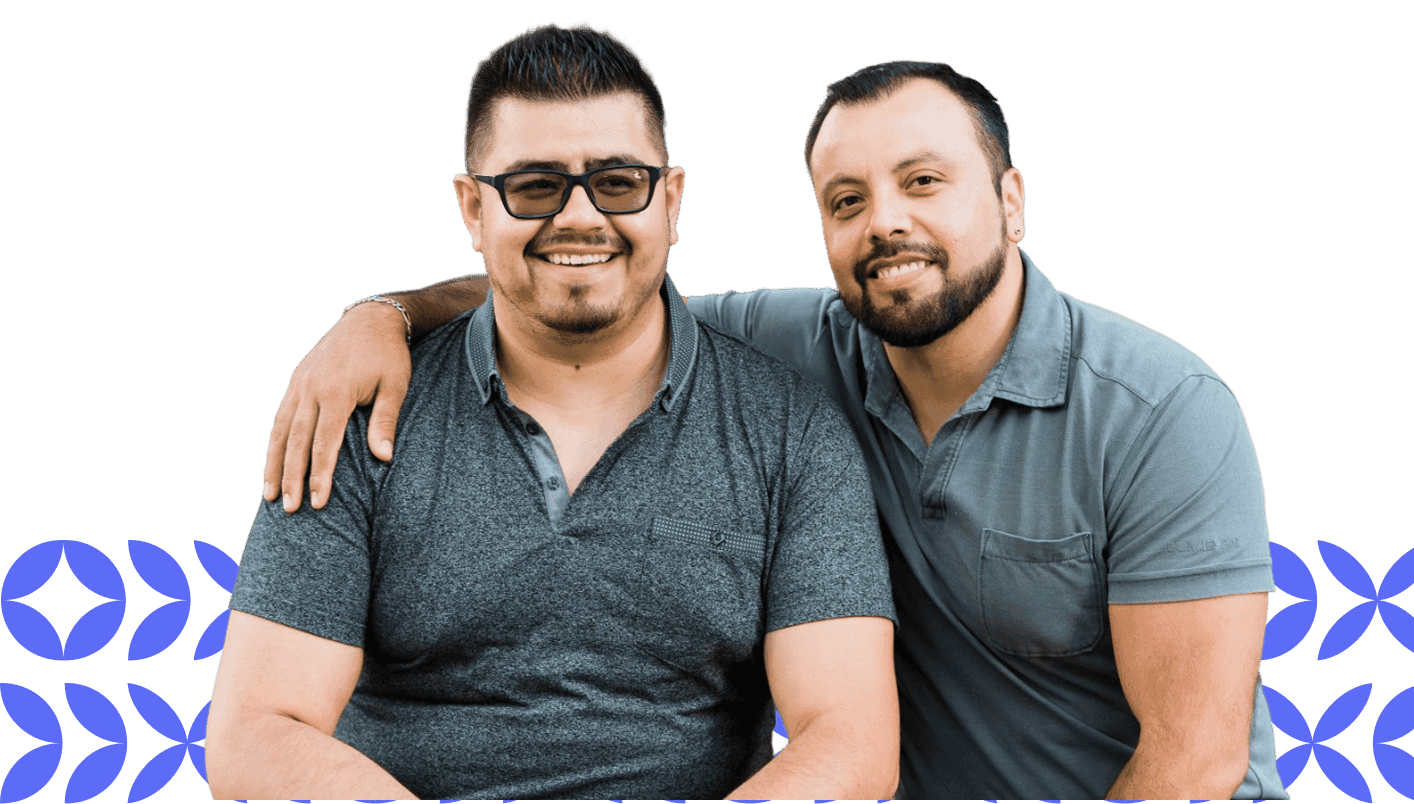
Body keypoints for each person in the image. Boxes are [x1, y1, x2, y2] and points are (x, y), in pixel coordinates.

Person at [264, 59, 1288, 800]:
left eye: (923, 181)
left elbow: (1192, 764)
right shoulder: (798, 347)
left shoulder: (1160, 410)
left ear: (1011, 200)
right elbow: (583, 285)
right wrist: (382, 313)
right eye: (847, 200)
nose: (886, 222)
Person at [204, 24, 899, 801]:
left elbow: (851, 740)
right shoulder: (357, 416)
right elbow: (256, 734)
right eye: (534, 186)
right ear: (473, 209)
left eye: (616, 182)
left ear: (669, 201)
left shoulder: (789, 431)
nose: (579, 217)